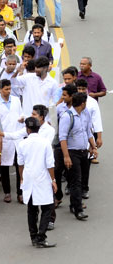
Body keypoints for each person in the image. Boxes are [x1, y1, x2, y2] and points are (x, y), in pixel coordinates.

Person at [17, 117, 57, 248]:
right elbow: (50, 164)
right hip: (43, 178)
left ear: (27, 129)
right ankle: (41, 236)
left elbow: (20, 164)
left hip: (29, 178)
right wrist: (53, 180)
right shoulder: (45, 143)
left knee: (32, 209)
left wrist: (22, 178)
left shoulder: (22, 144)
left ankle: (33, 237)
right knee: (47, 207)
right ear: (39, 128)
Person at [59, 92, 98, 220]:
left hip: (83, 152)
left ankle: (73, 204)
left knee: (82, 179)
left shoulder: (85, 114)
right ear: (82, 103)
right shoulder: (67, 117)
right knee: (76, 181)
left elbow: (88, 132)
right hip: (72, 152)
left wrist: (93, 147)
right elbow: (62, 138)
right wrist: (66, 156)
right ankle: (78, 209)